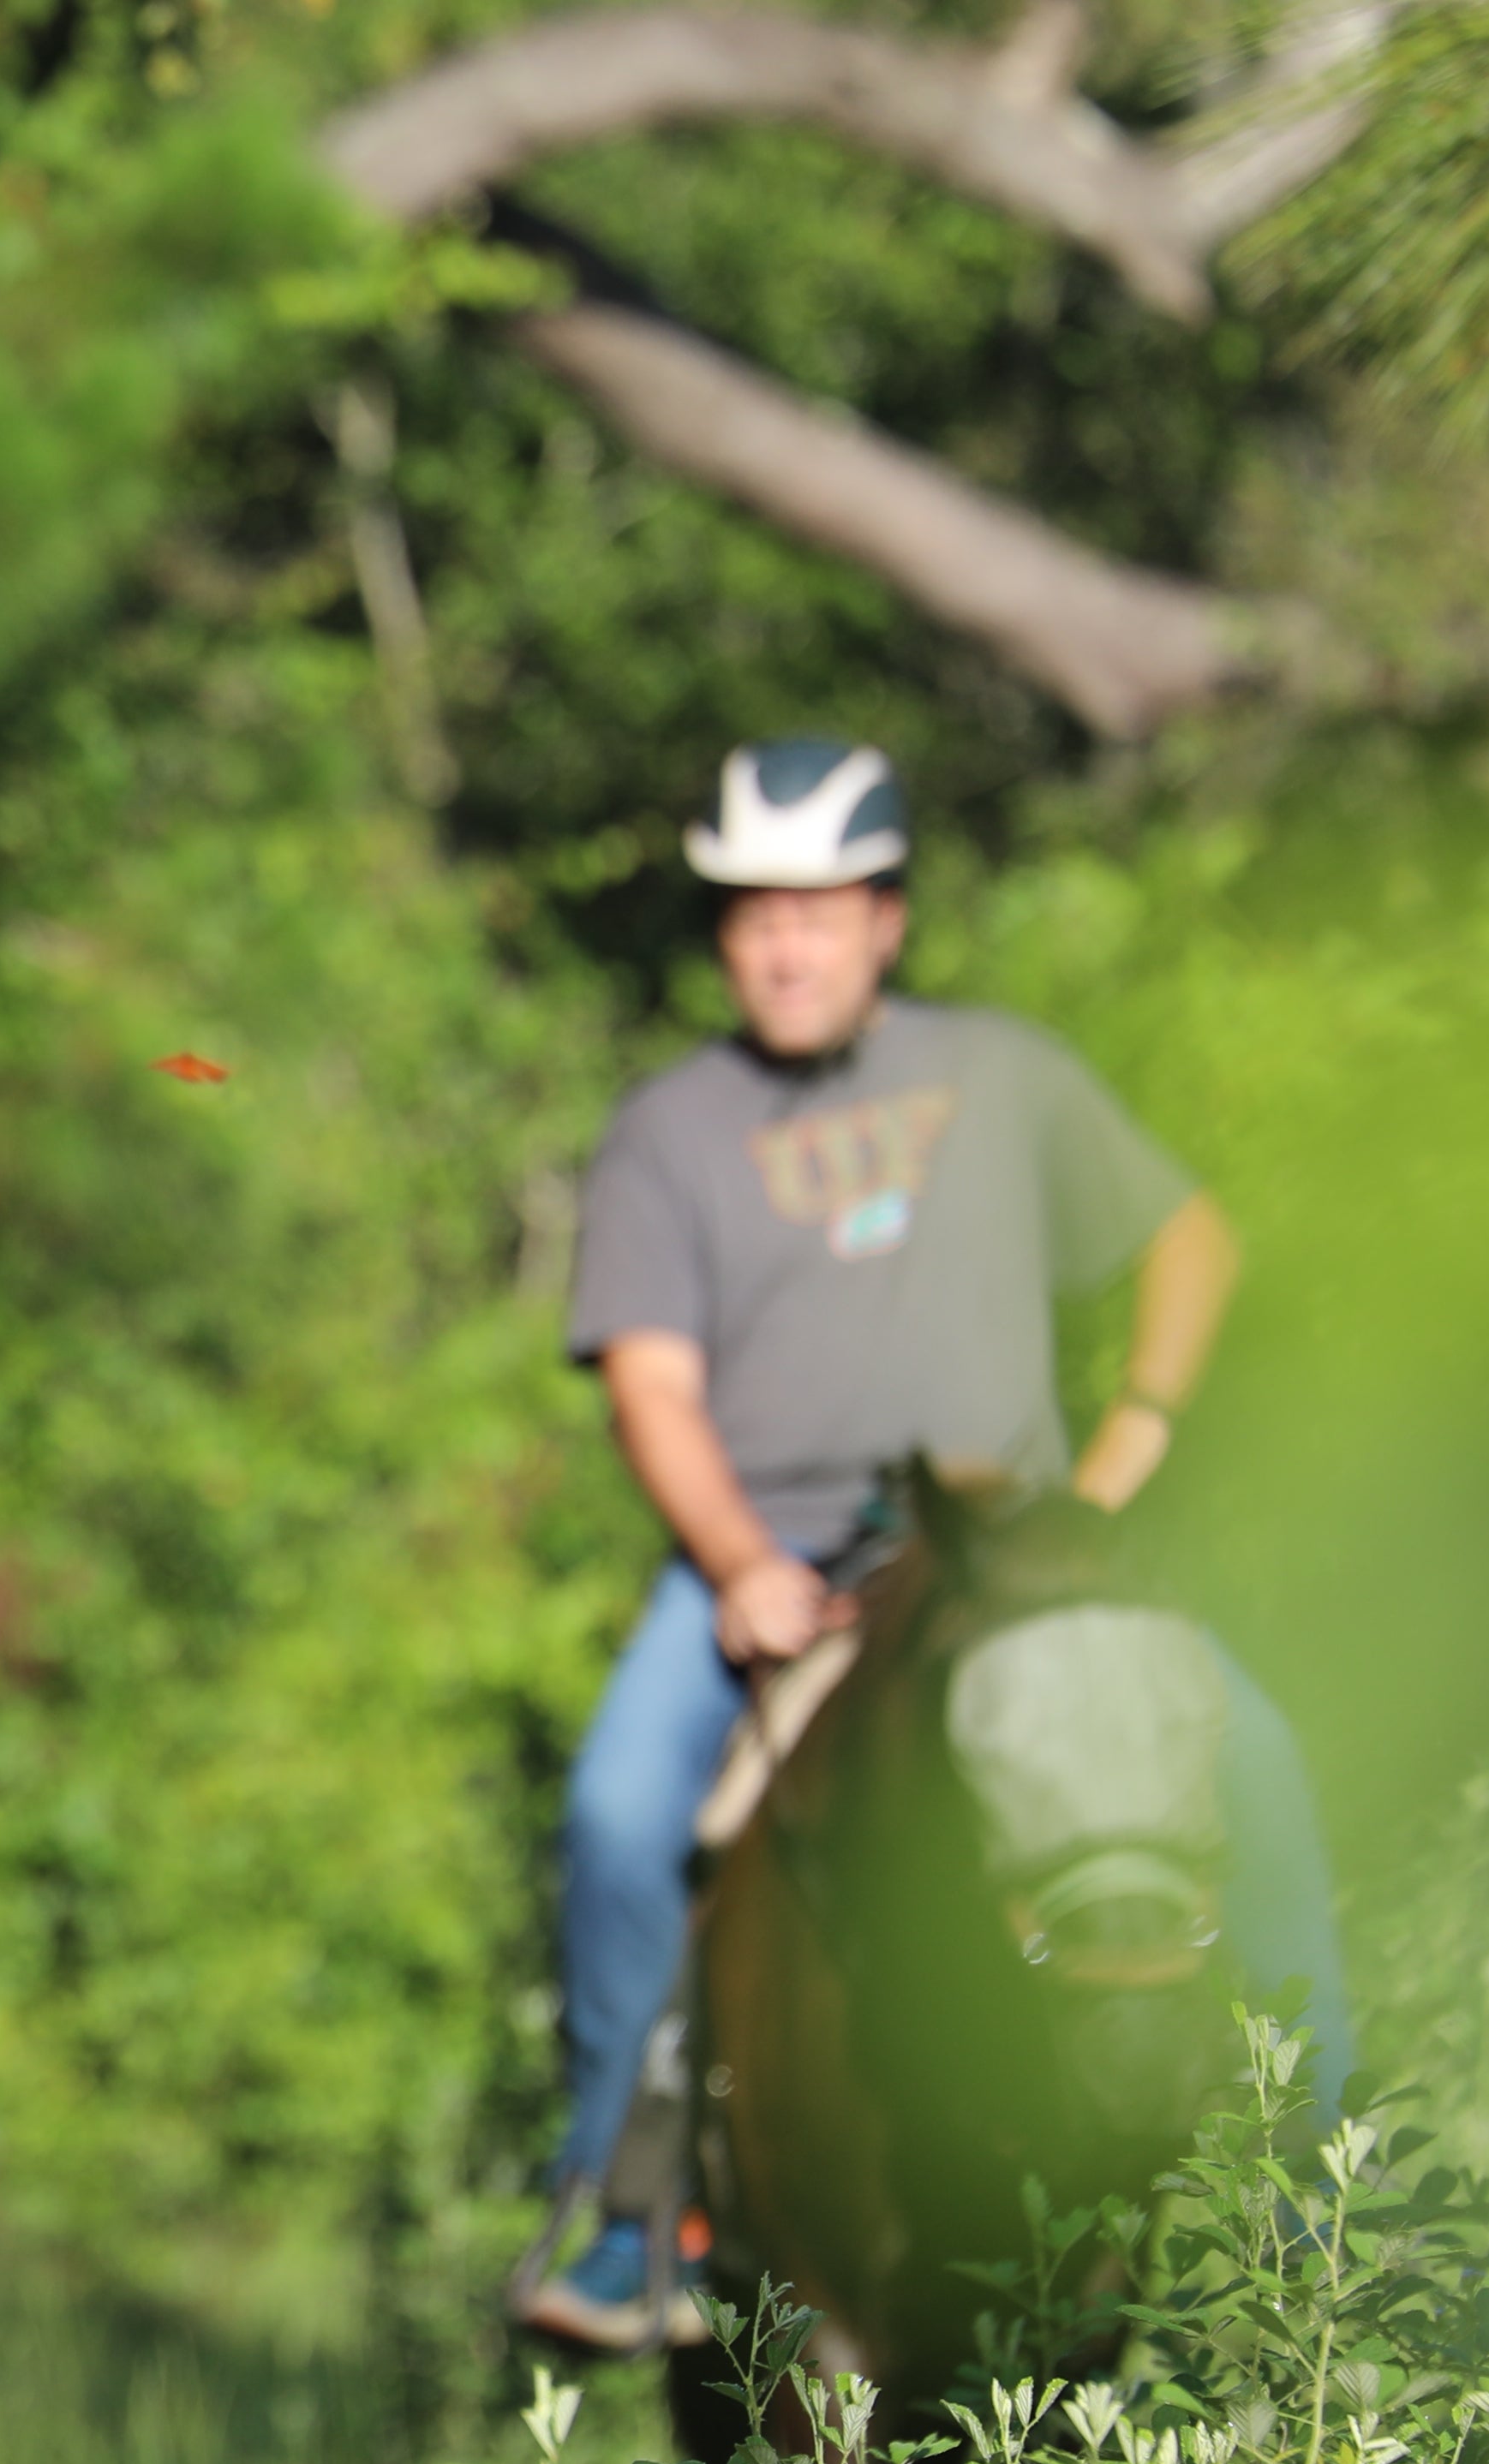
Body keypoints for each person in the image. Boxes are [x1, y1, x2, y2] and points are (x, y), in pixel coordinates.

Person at [517, 735, 1351, 2354]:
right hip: (775, 1569)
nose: (784, 945)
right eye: (753, 914)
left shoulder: (1008, 1074)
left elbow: (1192, 1236)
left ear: (887, 919)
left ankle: (1309, 2191)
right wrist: (737, 1558)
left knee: (1255, 1762)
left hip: (1008, 1566)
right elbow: (651, 1383)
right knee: (622, 1818)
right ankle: (635, 2206)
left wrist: (1134, 1444)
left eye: (817, 911)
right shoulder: (669, 1132)